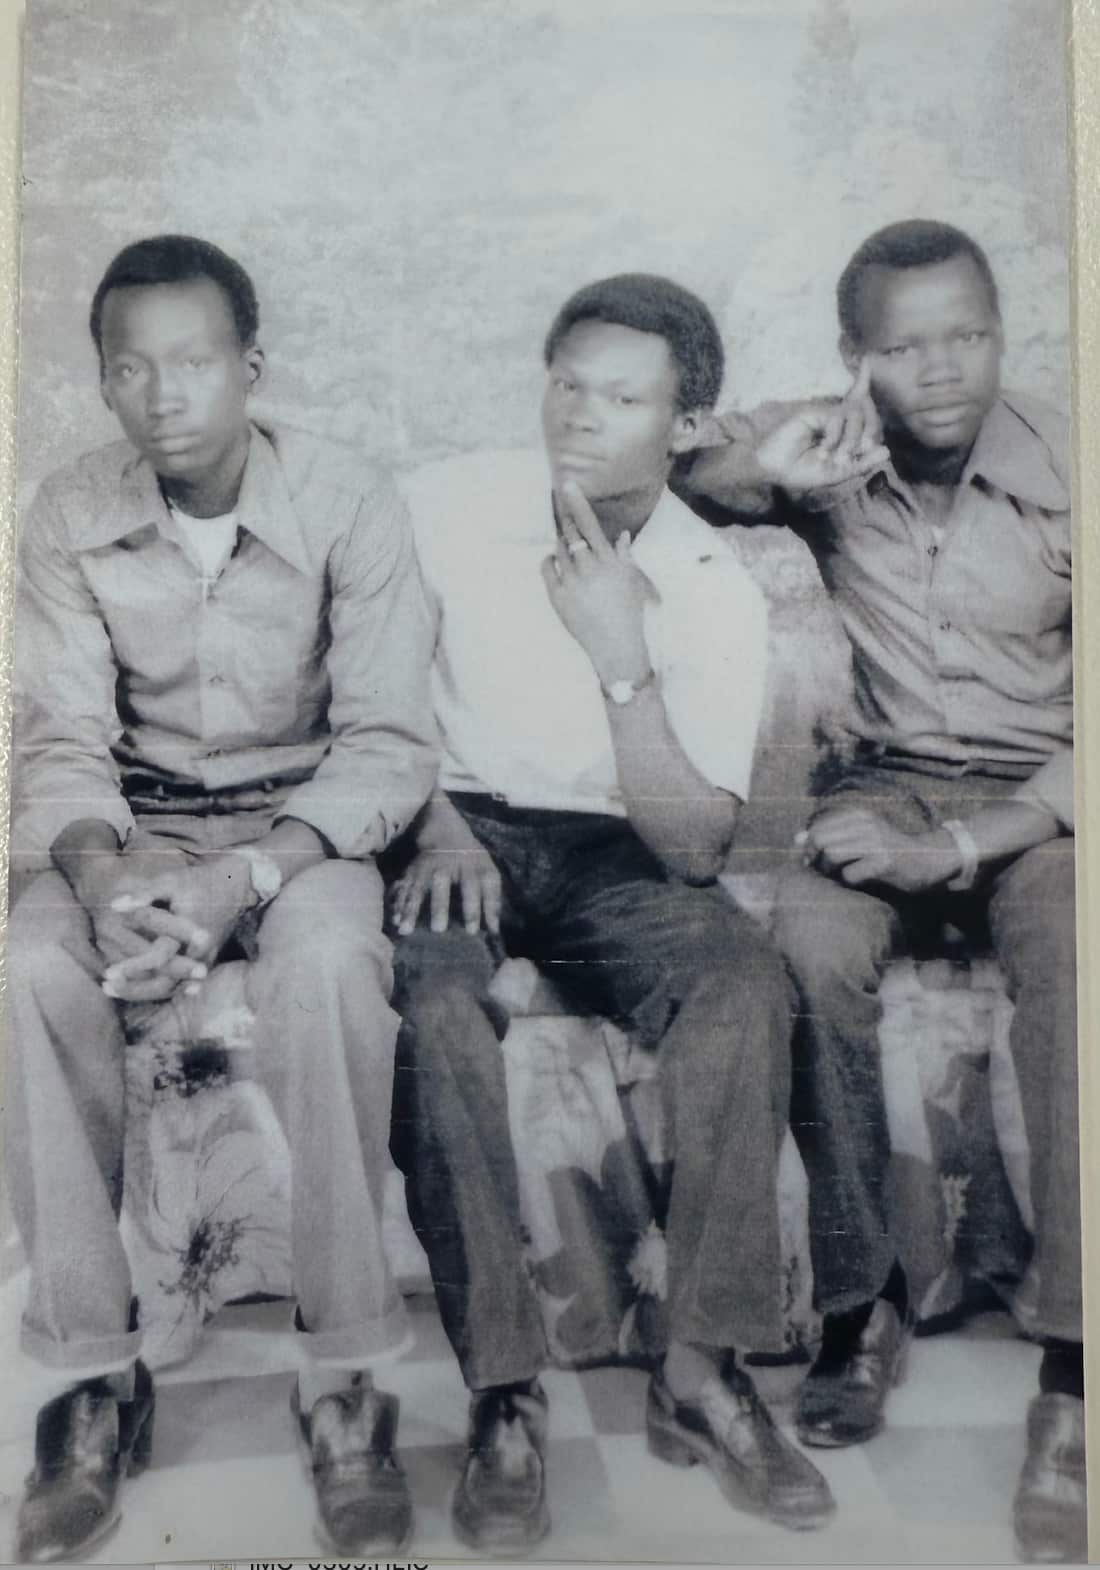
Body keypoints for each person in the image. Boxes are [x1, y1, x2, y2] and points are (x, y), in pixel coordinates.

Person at [387, 273, 836, 1555]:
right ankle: (501, 1392)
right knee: (433, 1004)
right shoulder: (448, 504)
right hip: (452, 825)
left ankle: (700, 1368)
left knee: (743, 983)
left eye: (622, 397)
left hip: (612, 850)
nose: (578, 416)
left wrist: (620, 657)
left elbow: (692, 842)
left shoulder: (708, 581)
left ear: (684, 426)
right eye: (566, 381)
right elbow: (367, 683)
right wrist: (430, 819)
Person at [6, 235, 438, 1563]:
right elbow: (62, 738)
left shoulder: (350, 496)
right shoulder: (67, 507)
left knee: (325, 974)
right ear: (102, 384)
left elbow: (386, 738)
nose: (163, 394)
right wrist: (103, 871)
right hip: (132, 832)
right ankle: (94, 1372)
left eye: (194, 362)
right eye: (129, 368)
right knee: (26, 970)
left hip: (301, 830)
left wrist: (246, 870)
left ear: (252, 368)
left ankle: (342, 1376)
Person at [677, 219, 1082, 1564]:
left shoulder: (1074, 458)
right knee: (803, 940)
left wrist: (961, 856)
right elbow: (671, 466)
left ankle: (1075, 1373)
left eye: (966, 331)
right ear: (859, 357)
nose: (943, 367)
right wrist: (755, 464)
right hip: (883, 782)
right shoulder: (833, 444)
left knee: (1081, 950)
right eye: (904, 344)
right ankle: (861, 1304)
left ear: (1000, 327)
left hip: (1041, 802)